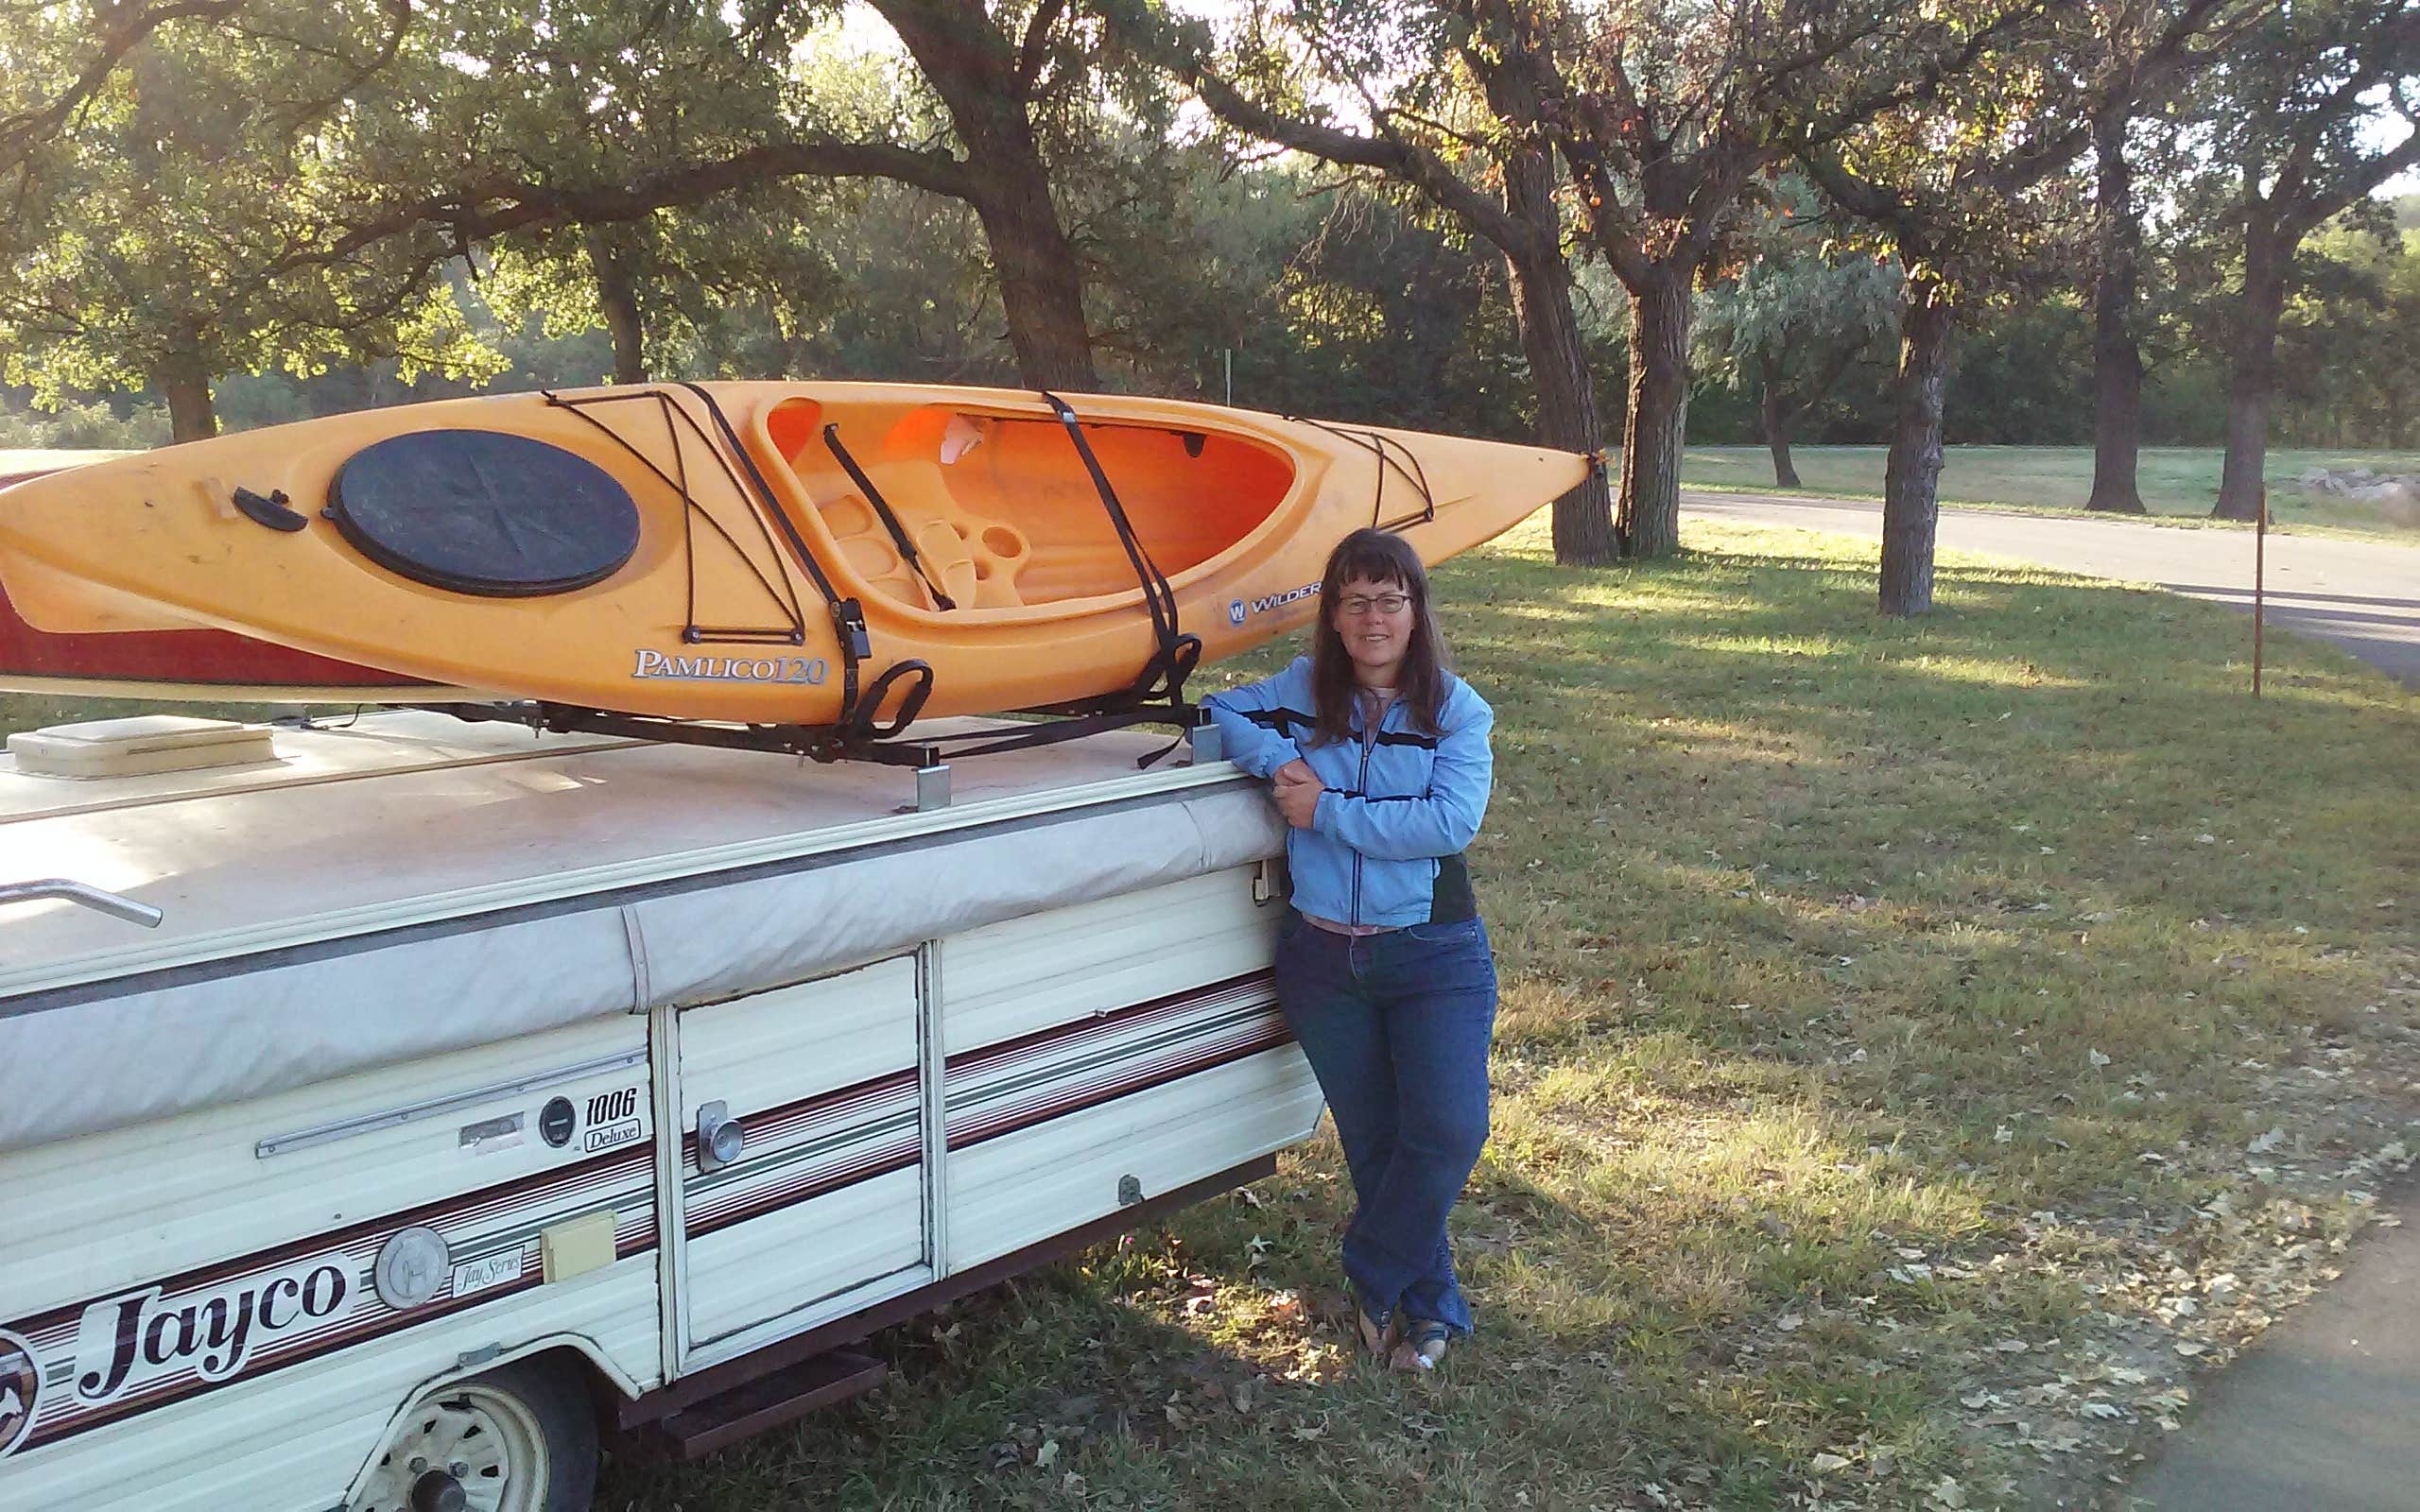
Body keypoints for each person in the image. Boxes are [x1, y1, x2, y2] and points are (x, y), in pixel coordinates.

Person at [1202, 527, 1498, 1371]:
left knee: (1445, 1130)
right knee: (1375, 1143)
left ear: (1416, 612)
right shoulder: (1299, 693)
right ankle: (1428, 1311)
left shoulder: (1457, 710)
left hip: (1431, 954)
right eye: (1356, 599)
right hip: (1323, 961)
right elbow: (1218, 713)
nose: (1374, 616)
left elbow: (1448, 825)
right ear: (1332, 614)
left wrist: (1325, 807)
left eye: (1390, 599)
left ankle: (1372, 1272)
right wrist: (1282, 763)